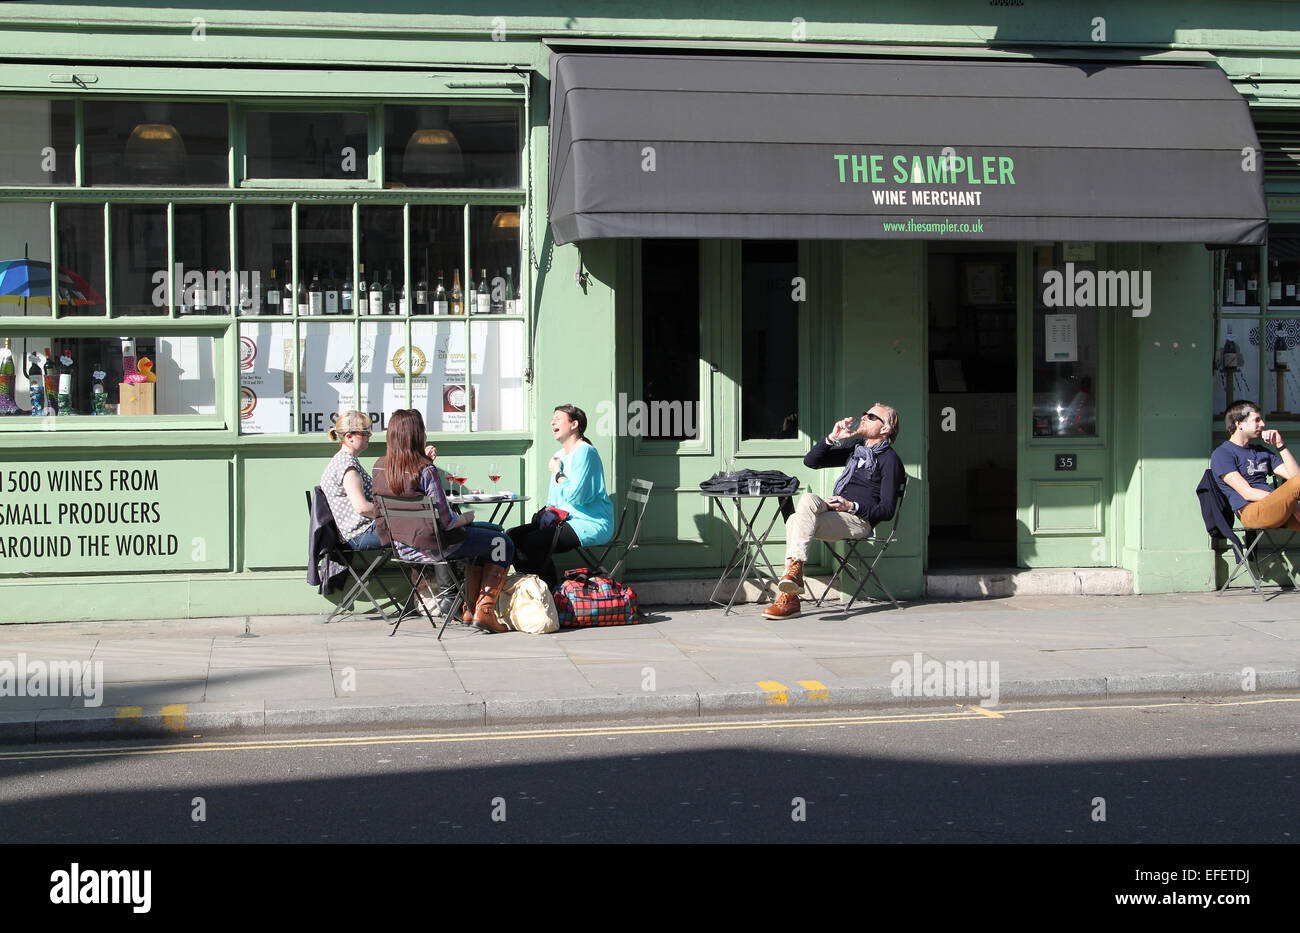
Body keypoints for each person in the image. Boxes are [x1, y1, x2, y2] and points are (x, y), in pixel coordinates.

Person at [372, 409, 515, 634]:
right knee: (502, 542)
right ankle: (484, 612)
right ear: (417, 435)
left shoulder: (380, 466)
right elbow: (447, 522)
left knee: (490, 532)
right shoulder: (426, 470)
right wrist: (465, 518)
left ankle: (470, 609)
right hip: (435, 548)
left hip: (402, 547)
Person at [762, 402, 904, 619]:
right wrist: (833, 438)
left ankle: (789, 598)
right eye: (864, 414)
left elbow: (886, 511)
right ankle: (795, 573)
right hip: (835, 513)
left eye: (872, 417)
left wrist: (851, 506)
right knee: (807, 501)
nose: (864, 417)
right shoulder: (856, 448)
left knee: (794, 521)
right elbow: (812, 461)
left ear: (886, 428)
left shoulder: (889, 460)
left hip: (859, 521)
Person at [508, 404, 614, 587]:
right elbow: (555, 500)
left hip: (589, 522)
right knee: (513, 537)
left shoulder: (585, 451)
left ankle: (550, 593)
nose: (552, 422)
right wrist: (545, 516)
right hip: (565, 519)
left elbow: (577, 497)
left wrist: (558, 474)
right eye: (552, 418)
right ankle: (530, 591)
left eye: (558, 418)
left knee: (535, 542)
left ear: (574, 424)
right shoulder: (559, 455)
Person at [1211, 400, 1300, 531]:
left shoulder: (1261, 451)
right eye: (1257, 420)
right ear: (1239, 423)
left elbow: (1295, 477)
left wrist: (1280, 445)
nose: (1263, 424)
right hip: (1251, 512)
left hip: (1278, 509)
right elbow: (1248, 493)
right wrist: (1290, 503)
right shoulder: (1223, 454)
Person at [320, 411, 381, 550]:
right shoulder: (346, 465)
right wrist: (392, 512)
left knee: (416, 528)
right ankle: (429, 572)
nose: (369, 435)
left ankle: (424, 572)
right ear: (349, 437)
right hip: (361, 534)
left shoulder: (345, 461)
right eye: (365, 432)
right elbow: (362, 507)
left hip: (360, 532)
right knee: (418, 530)